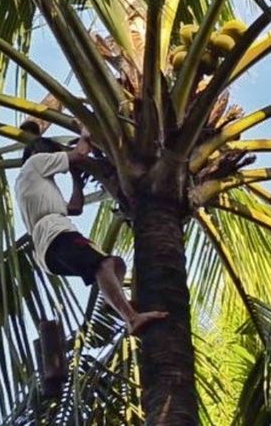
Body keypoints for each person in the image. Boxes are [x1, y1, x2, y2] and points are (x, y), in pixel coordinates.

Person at [15, 127, 167, 335]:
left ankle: (110, 300)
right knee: (103, 265)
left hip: (50, 246)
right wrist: (87, 134)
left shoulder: (36, 186)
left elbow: (75, 208)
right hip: (56, 235)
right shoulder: (34, 162)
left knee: (115, 264)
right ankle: (131, 318)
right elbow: (79, 154)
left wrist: (77, 180)